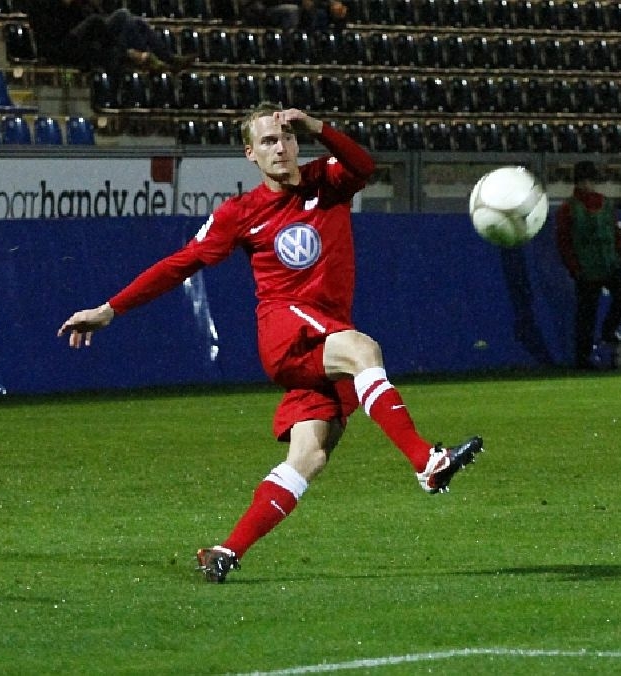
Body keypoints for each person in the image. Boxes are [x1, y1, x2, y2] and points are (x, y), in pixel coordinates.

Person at [57, 103, 484, 584]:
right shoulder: (240, 213)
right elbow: (181, 264)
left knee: (309, 456)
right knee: (364, 350)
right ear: (250, 154)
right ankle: (426, 461)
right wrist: (110, 309)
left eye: (286, 138)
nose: (279, 148)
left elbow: (364, 165)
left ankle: (226, 550)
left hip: (323, 337)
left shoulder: (326, 182)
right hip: (287, 329)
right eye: (267, 141)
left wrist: (317, 126)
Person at [555, 160, 621, 369]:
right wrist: (574, 268)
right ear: (577, 183)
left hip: (608, 263)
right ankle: (583, 357)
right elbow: (564, 242)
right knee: (586, 313)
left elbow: (615, 232)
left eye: (589, 181)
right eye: (583, 181)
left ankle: (608, 330)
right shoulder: (568, 209)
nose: (587, 185)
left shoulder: (604, 204)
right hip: (585, 267)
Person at [22, 0, 193, 82]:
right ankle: (138, 56)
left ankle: (167, 59)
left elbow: (88, 21)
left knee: (134, 22)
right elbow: (52, 31)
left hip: (82, 40)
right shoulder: (40, 5)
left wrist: (83, 5)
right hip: (58, 47)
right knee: (117, 17)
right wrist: (67, 5)